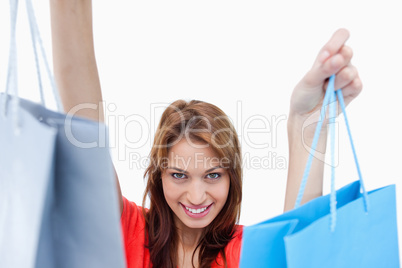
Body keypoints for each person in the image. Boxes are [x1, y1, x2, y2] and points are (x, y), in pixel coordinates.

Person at [50, 1, 362, 267]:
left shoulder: (243, 252)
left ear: (232, 177)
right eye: (179, 175)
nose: (196, 197)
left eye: (212, 175)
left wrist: (307, 122)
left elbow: (303, 245)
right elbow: (85, 131)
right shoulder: (127, 231)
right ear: (159, 174)